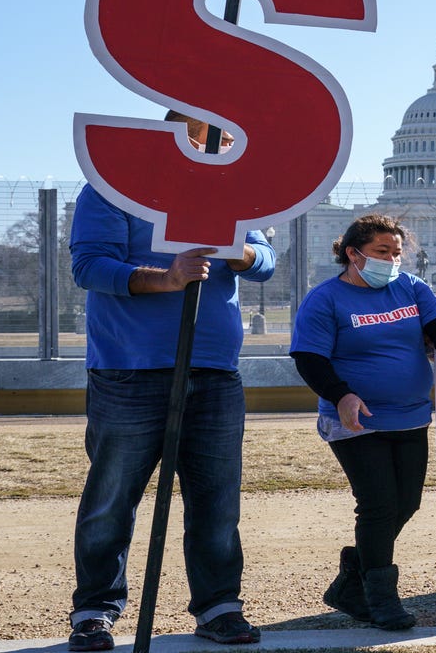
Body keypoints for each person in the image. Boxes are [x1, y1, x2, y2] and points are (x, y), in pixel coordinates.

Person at [66, 113, 274, 651]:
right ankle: (94, 609)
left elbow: (265, 260)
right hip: (129, 368)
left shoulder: (233, 188)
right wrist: (167, 278)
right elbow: (89, 265)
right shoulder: (114, 185)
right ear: (175, 132)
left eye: (228, 134)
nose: (226, 141)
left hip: (214, 368)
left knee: (216, 499)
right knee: (112, 496)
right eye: (212, 132)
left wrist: (240, 250)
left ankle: (219, 606)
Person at [289, 215, 436, 630]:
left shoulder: (410, 287)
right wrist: (342, 395)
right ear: (352, 254)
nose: (391, 260)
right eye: (381, 252)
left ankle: (352, 578)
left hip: (410, 416)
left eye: (396, 252)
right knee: (378, 505)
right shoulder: (325, 299)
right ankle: (382, 600)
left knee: (406, 502)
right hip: (357, 420)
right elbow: (309, 357)